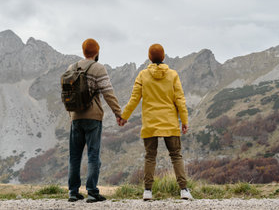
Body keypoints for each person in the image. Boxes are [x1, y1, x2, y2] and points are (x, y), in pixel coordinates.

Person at [118, 43, 193, 200]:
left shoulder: (143, 75)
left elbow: (134, 99)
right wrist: (184, 120)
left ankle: (147, 191)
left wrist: (124, 116)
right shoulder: (173, 75)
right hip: (170, 122)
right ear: (164, 57)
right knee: (176, 156)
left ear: (149, 58)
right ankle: (184, 190)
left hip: (150, 124)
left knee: (150, 156)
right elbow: (180, 99)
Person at [66, 38, 122, 203]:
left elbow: (66, 94)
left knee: (74, 156)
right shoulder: (98, 68)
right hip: (93, 118)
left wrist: (71, 115)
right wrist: (118, 114)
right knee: (93, 155)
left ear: (83, 51)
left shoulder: (72, 67)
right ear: (97, 52)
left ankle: (73, 192)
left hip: (75, 117)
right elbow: (108, 93)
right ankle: (92, 192)